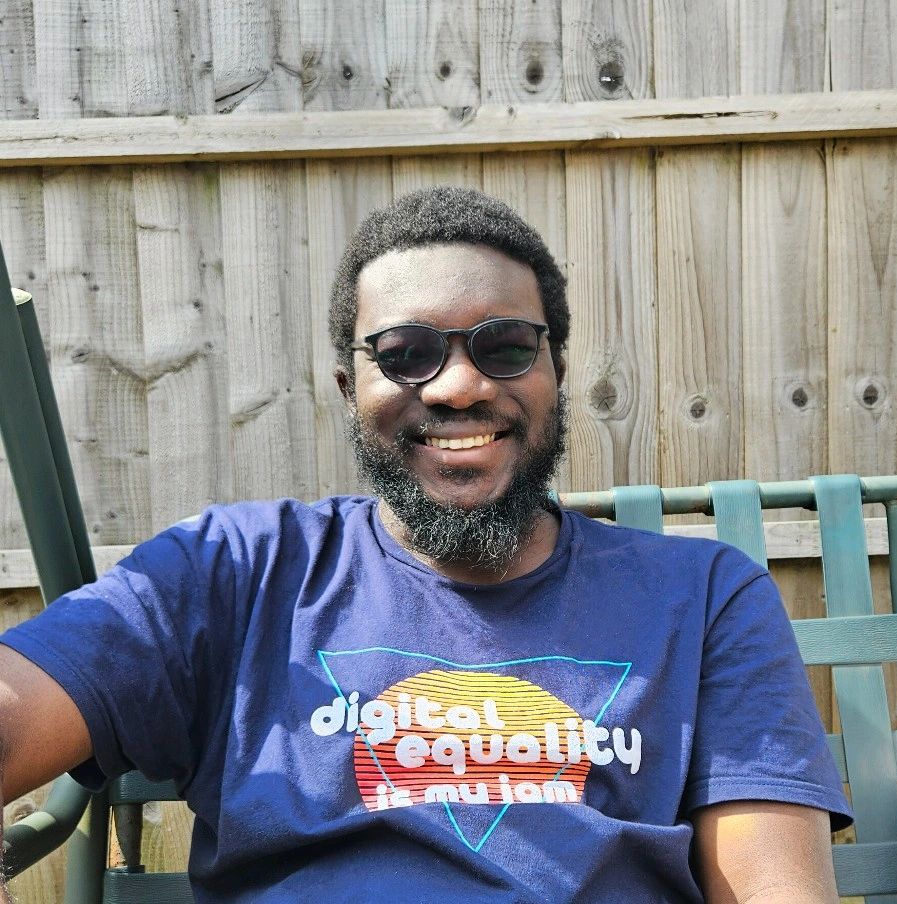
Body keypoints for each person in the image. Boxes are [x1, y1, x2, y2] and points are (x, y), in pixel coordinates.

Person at [0, 187, 850, 903]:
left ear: (555, 372)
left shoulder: (702, 597)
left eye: (507, 347)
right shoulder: (233, 571)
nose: (458, 385)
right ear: (350, 387)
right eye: (406, 353)